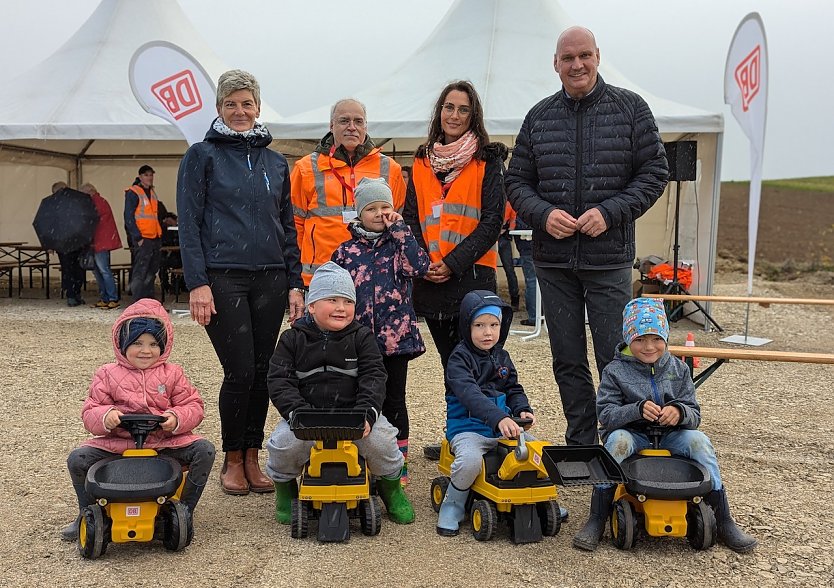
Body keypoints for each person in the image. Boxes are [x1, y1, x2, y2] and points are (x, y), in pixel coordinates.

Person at [506, 26, 669, 446]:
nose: (576, 65)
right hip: (554, 261)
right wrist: (543, 215)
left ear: (597, 55)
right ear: (555, 63)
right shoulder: (539, 117)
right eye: (567, 58)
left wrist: (609, 213)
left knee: (615, 356)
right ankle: (581, 441)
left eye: (584, 55)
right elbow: (517, 182)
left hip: (608, 259)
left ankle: (623, 439)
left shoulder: (631, 109)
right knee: (567, 358)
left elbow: (654, 173)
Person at [177, 69, 304, 496]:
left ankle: (253, 455)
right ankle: (233, 458)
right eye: (231, 103)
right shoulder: (201, 156)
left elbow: (287, 225)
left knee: (265, 371)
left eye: (247, 103)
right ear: (218, 108)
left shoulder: (275, 162)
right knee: (240, 369)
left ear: (258, 107)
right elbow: (189, 224)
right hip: (223, 276)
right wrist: (197, 282)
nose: (239, 111)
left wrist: (294, 282)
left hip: (270, 277)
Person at [574, 297, 757, 553]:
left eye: (656, 338)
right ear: (628, 338)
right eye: (639, 339)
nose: (649, 347)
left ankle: (724, 519)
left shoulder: (679, 369)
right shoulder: (615, 371)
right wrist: (635, 410)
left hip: (672, 435)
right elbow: (606, 414)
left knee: (700, 442)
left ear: (666, 337)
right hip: (633, 434)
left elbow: (694, 413)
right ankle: (596, 518)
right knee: (617, 443)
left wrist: (679, 413)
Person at [265, 262, 415, 525]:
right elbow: (279, 380)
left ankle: (390, 489)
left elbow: (374, 377)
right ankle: (286, 490)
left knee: (383, 442)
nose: (340, 307)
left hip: (354, 417)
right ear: (311, 305)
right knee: (282, 445)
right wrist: (295, 413)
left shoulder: (362, 337)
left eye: (347, 301)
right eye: (331, 299)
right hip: (306, 418)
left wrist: (367, 413)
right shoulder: (292, 339)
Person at [402, 80, 505, 460]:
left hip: (472, 278)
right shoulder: (422, 160)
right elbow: (410, 217)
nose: (455, 115)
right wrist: (424, 262)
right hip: (431, 280)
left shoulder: (488, 160)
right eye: (449, 107)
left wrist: (453, 262)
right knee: (452, 366)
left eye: (463, 109)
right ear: (439, 112)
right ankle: (457, 437)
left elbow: (492, 221)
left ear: (473, 115)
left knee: (483, 364)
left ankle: (487, 436)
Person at [60, 298, 215, 541]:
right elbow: (91, 410)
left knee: (204, 450)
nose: (146, 350)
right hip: (119, 445)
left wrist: (175, 418)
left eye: (154, 344)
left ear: (164, 346)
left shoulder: (173, 374)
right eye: (138, 343)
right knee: (77, 459)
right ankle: (87, 512)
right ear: (122, 343)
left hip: (163, 444)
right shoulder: (107, 374)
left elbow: (193, 405)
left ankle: (184, 511)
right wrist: (106, 416)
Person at [331, 177, 430, 484]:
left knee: (394, 399)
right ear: (359, 214)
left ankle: (396, 461)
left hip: (395, 341)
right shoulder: (345, 252)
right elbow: (333, 290)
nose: (378, 213)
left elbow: (420, 267)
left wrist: (402, 230)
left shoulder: (400, 245)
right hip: (357, 341)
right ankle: (361, 452)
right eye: (371, 208)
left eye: (384, 207)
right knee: (359, 396)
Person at [435, 290, 534, 536]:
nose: (487, 332)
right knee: (468, 461)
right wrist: (499, 417)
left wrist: (522, 409)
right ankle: (453, 504)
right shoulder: (458, 359)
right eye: (479, 325)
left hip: (502, 428)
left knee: (536, 453)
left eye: (494, 324)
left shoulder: (502, 356)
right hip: (468, 429)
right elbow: (470, 395)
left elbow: (513, 388)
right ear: (467, 326)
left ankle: (535, 498)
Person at [291, 98, 407, 286]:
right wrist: (295, 280)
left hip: (375, 274)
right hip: (321, 275)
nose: (352, 127)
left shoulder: (390, 169)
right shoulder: (306, 168)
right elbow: (294, 225)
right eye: (344, 121)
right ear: (331, 125)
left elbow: (398, 223)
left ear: (366, 126)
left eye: (358, 121)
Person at [43, 181, 95, 307]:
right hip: (68, 243)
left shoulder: (71, 203)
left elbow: (47, 226)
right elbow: (48, 225)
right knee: (71, 270)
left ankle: (74, 294)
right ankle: (72, 295)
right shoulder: (58, 204)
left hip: (73, 242)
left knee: (74, 270)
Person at [80, 183, 122, 309]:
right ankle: (105, 297)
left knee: (103, 271)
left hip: (100, 242)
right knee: (99, 271)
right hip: (99, 242)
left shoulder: (96, 202)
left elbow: (90, 220)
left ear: (90, 192)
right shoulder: (99, 201)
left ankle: (112, 298)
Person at [124, 164, 163, 300]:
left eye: (151, 175)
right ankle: (138, 301)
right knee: (141, 271)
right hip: (143, 238)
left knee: (152, 270)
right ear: (140, 176)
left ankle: (148, 300)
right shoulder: (134, 192)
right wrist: (137, 237)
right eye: (146, 175)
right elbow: (128, 217)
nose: (150, 177)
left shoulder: (152, 193)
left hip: (154, 237)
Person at [513, 217, 538, 327]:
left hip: (527, 248)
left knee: (531, 282)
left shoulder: (525, 210)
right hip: (539, 247)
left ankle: (533, 316)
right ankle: (540, 315)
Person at [497, 201, 520, 310]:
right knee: (509, 270)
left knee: (509, 270)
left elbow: (513, 218)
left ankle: (514, 300)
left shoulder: (507, 202)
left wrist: (509, 230)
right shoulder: (507, 202)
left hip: (502, 237)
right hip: (500, 237)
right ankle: (514, 300)